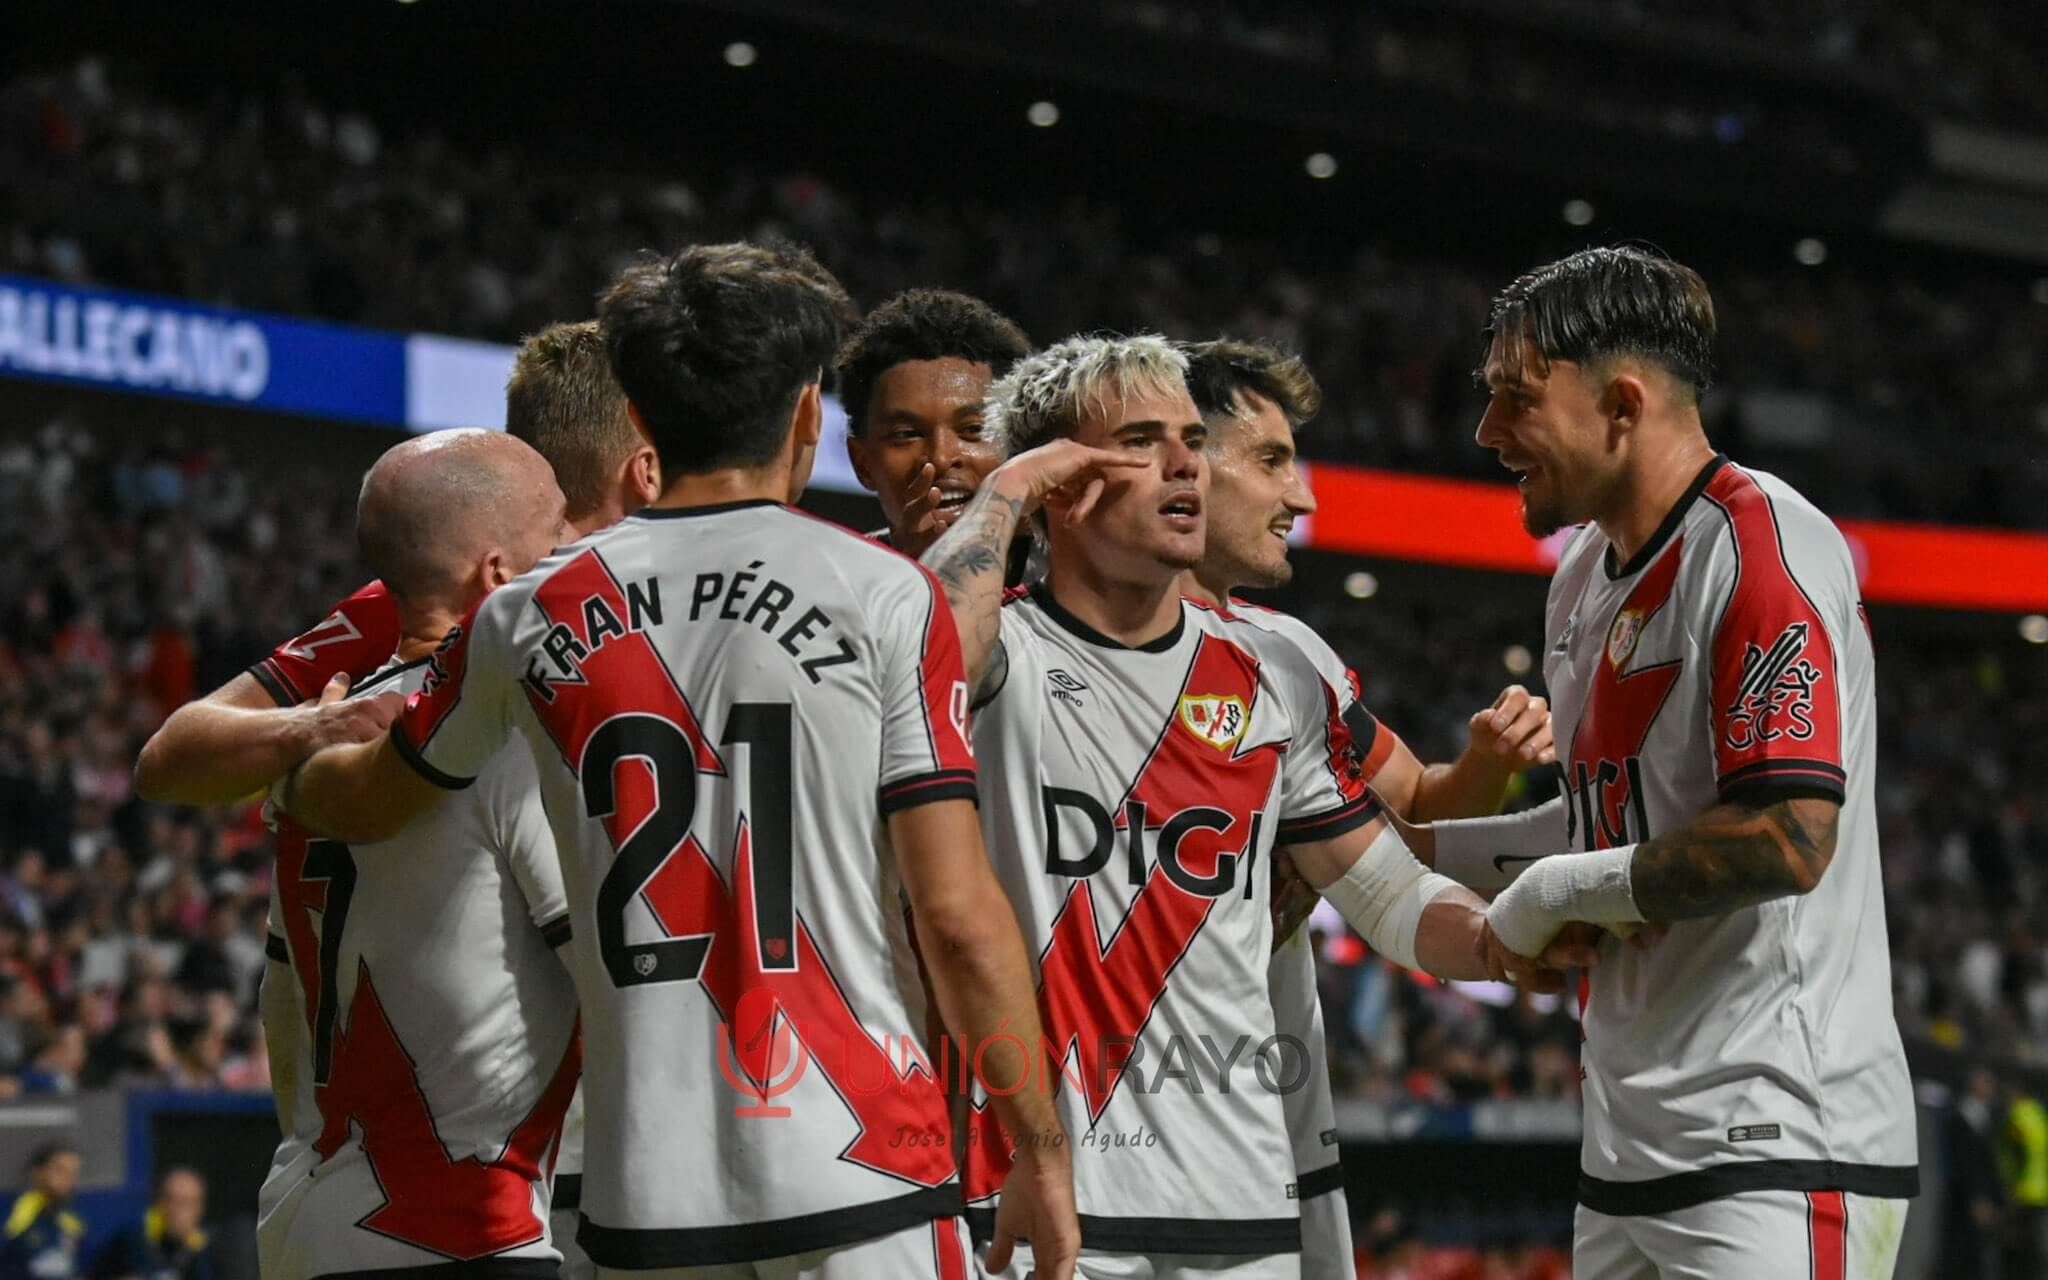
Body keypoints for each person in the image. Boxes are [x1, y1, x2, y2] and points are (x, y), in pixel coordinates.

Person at [275, 241, 1081, 1280]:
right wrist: (1038, 1146)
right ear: (806, 412)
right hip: (862, 1165)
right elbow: (958, 917)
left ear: (641, 419)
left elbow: (372, 798)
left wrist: (295, 759)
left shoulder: (524, 613)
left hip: (641, 1195)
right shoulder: (885, 593)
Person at [922, 334, 1580, 1279]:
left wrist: (1496, 941)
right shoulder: (1001, 657)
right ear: (1064, 480)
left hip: (1236, 1199)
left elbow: (1389, 891)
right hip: (1038, 1194)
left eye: (1193, 440)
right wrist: (1008, 490)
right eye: (1141, 442)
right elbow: (923, 654)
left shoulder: (1271, 675)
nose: (1184, 463)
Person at [1407, 246, 1917, 1277]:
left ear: (1622, 404)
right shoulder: (1578, 578)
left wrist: (1552, 892)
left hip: (1775, 1141)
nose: (1486, 431)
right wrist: (1400, 853)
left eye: (1515, 398)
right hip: (1625, 1147)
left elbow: (1786, 832)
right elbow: (1607, 824)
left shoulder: (1760, 547)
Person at [1176, 338, 1556, 1278]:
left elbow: (1416, 819)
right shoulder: (1023, 649)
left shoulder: (1290, 658)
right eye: (1271, 460)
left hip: (1265, 1087)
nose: (1301, 496)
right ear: (1181, 460)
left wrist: (1487, 765)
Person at [257, 427, 580, 1280]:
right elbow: (614, 975)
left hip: (305, 1216)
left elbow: (281, 1004)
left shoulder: (315, 740)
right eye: (559, 531)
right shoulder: (507, 731)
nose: (578, 550)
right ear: (500, 576)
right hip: (455, 1227)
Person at [130, 319, 662, 809]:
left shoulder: (667, 593)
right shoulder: (441, 593)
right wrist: (315, 728)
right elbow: (166, 760)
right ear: (647, 469)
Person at [837, 288, 1033, 562]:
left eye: (974, 429)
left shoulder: (1077, 575)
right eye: (906, 434)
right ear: (863, 465)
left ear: (1022, 444)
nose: (941, 458)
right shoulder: (835, 582)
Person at [91, 1169, 213, 1280]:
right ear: (159, 1202)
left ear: (200, 1208)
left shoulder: (203, 1247)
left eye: (186, 1202)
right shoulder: (132, 1237)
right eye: (170, 1200)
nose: (177, 1210)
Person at [1, 1144, 84, 1280]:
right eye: (60, 1170)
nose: (68, 1179)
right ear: (38, 1172)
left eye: (74, 1173)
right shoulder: (15, 1214)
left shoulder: (72, 1225)